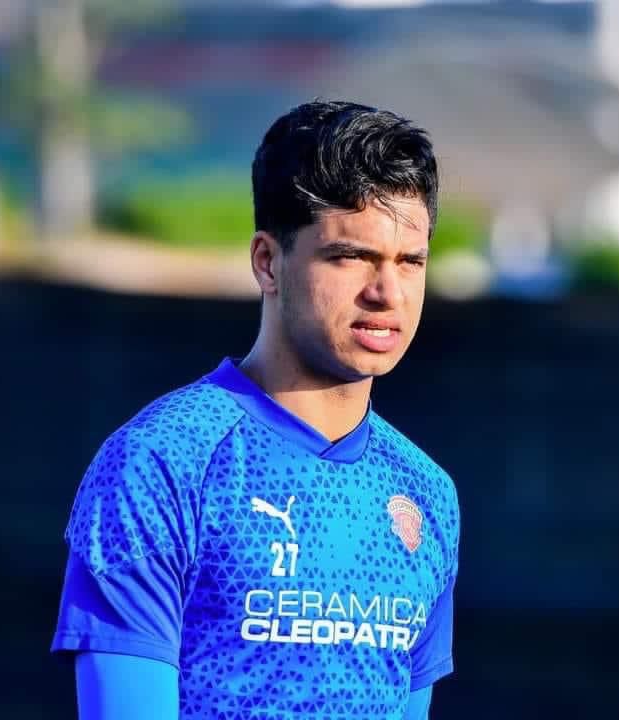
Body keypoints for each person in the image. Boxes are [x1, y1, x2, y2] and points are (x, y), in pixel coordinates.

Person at [51, 100, 460, 720]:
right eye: (351, 257)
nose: (387, 292)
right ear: (268, 262)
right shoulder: (160, 464)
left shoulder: (426, 493)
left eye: (410, 262)